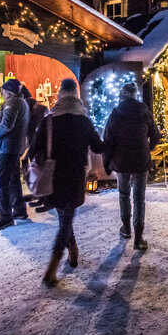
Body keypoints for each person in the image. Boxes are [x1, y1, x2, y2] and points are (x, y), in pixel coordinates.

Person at [29, 78, 105, 287]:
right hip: (74, 177)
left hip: (53, 177)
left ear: (61, 94)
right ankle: (59, 261)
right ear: (76, 96)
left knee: (64, 215)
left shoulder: (49, 121)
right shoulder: (84, 121)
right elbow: (98, 147)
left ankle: (64, 256)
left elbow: (33, 150)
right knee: (65, 217)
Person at [103, 83, 160, 249]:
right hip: (141, 160)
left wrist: (107, 163)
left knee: (123, 194)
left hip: (121, 161)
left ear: (122, 95)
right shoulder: (145, 113)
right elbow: (155, 135)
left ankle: (126, 228)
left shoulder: (115, 114)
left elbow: (108, 140)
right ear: (136, 96)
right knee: (139, 197)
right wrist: (147, 149)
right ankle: (138, 237)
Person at [0, 78, 30, 231]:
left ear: (9, 91)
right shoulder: (23, 102)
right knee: (13, 179)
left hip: (7, 147)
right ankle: (19, 210)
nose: (1, 93)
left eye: (3, 90)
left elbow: (7, 124)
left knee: (0, 182)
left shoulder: (12, 103)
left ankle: (5, 217)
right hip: (14, 146)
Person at [21, 85, 51, 213]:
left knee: (42, 174)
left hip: (38, 146)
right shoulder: (41, 108)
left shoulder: (25, 108)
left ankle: (46, 200)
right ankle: (42, 198)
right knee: (40, 173)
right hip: (37, 145)